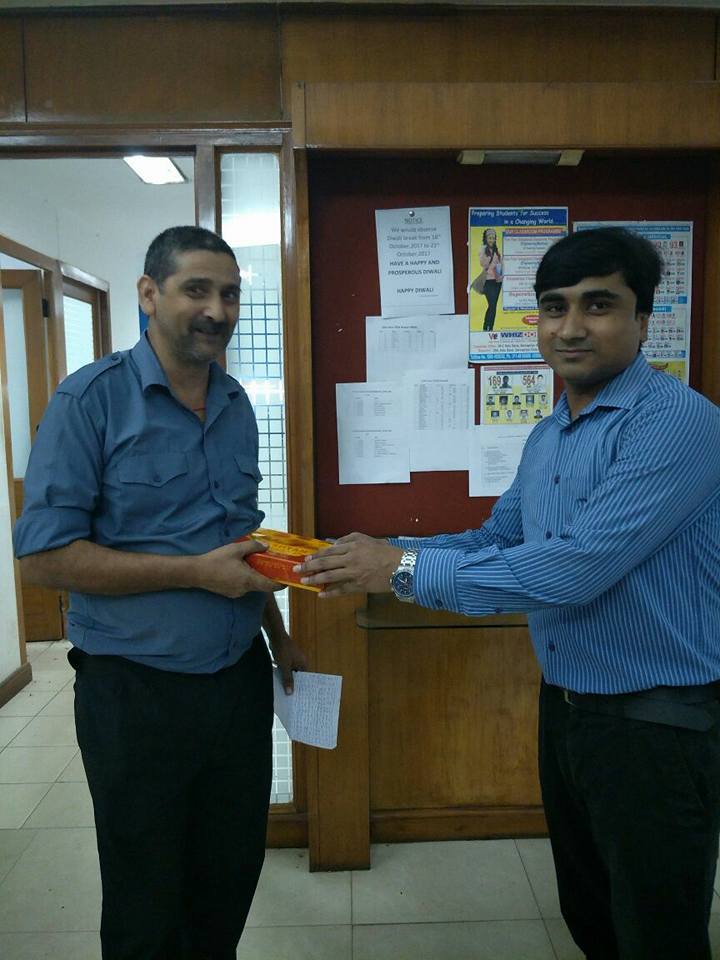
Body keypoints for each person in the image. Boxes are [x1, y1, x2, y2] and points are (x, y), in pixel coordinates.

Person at [297, 227, 720, 960]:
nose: (571, 327)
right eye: (554, 306)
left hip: (658, 724)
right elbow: (496, 539)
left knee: (658, 932)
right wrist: (371, 551)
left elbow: (574, 569)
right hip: (569, 711)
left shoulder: (679, 423)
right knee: (589, 913)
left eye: (599, 305)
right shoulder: (552, 432)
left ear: (644, 320)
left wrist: (397, 570)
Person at [13, 225, 307, 960]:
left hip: (237, 685)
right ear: (149, 294)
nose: (217, 310)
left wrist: (279, 637)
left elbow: (239, 542)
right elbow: (43, 557)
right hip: (134, 694)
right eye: (196, 290)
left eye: (229, 294)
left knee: (228, 877)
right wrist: (192, 572)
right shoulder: (90, 400)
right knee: (145, 898)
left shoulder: (236, 403)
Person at [479, 227, 503, 331]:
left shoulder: (496, 250)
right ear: (486, 238)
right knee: (492, 305)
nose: (491, 240)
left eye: (493, 238)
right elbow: (483, 263)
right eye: (489, 238)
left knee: (494, 306)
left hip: (497, 281)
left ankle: (490, 328)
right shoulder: (483, 249)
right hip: (488, 281)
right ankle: (486, 327)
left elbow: (499, 264)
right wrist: (487, 252)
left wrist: (500, 274)